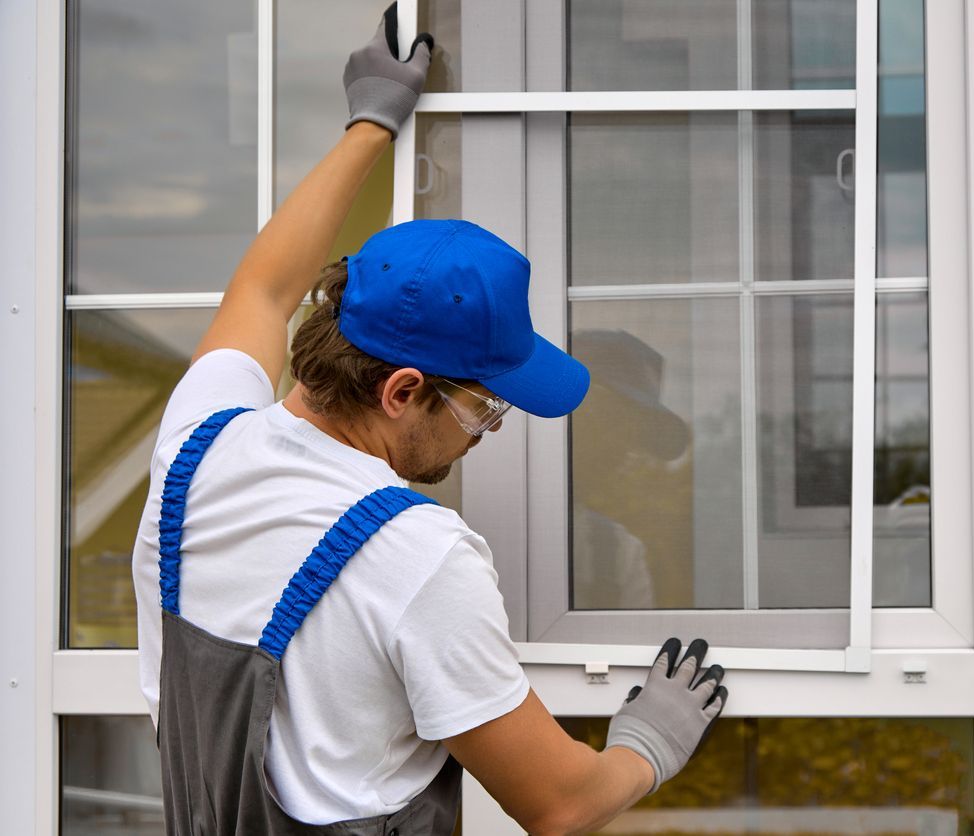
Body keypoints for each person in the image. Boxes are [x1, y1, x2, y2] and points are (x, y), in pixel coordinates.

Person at [130, 6, 727, 835]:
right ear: (403, 391)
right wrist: (647, 745)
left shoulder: (197, 443)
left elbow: (264, 288)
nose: (491, 431)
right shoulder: (414, 558)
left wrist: (369, 124)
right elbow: (560, 805)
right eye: (483, 404)